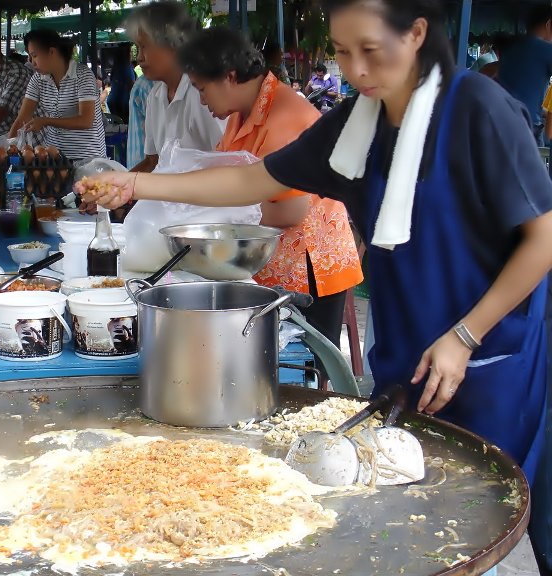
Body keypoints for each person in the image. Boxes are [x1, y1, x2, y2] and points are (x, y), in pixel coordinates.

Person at [80, 3, 552, 575]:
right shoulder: (360, 122)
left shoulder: (478, 109)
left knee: (477, 520)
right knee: (414, 511)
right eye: (342, 51)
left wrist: (464, 335)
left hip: (486, 349)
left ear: (418, 33)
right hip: (408, 345)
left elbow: (543, 238)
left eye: (369, 50)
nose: (355, 70)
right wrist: (135, 181)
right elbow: (253, 178)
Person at [179, 26, 363, 346]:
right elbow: (228, 178)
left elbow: (289, 210)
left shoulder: (284, 116)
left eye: (202, 88)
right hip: (273, 262)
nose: (202, 99)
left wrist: (215, 205)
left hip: (310, 269)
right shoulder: (242, 113)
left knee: (303, 370)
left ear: (229, 76)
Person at [125, 0, 225, 173]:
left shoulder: (201, 95)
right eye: (137, 47)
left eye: (144, 46)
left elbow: (226, 161)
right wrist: (114, 187)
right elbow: (153, 161)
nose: (139, 57)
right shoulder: (154, 97)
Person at [8, 29, 105, 161]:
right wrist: (9, 148)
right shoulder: (37, 79)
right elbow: (21, 119)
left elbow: (85, 120)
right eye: (30, 57)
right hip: (55, 157)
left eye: (35, 55)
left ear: (51, 52)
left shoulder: (83, 75)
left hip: (88, 157)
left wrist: (46, 121)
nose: (31, 62)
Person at [499, 5, 552, 147]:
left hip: (502, 121)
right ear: (549, 24)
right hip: (527, 125)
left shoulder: (512, 49)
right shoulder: (545, 49)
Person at [126, 74, 156, 169]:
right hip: (145, 167)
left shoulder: (147, 84)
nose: (140, 58)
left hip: (143, 167)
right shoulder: (148, 85)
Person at [107, 44, 136, 122]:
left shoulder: (116, 68)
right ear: (126, 54)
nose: (131, 54)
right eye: (130, 52)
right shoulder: (127, 69)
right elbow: (132, 88)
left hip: (112, 102)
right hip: (123, 104)